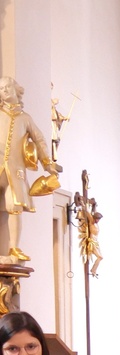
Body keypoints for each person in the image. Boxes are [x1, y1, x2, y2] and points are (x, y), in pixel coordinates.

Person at [0, 77, 58, 261]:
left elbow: (39, 140)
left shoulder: (25, 119)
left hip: (15, 170)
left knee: (14, 206)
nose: (4, 91)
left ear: (16, 90)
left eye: (7, 87)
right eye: (1, 89)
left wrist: (47, 163)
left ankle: (13, 248)